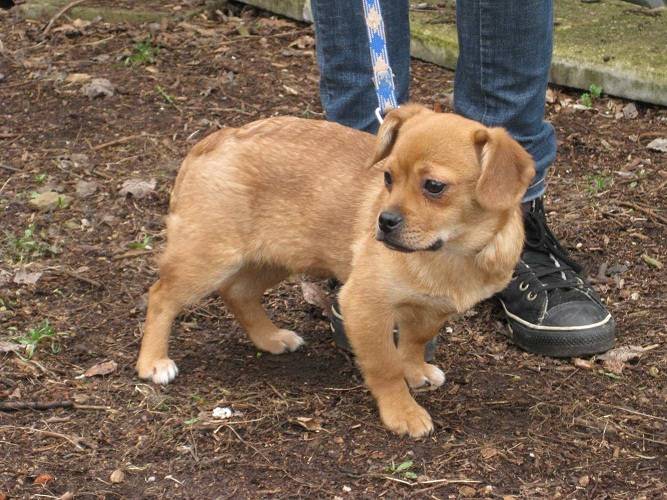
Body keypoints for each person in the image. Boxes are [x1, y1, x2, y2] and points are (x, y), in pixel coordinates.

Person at [311, 0, 615, 357]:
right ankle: (362, 257)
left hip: (495, 181)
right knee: (371, 171)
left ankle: (517, 228)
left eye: (434, 187)